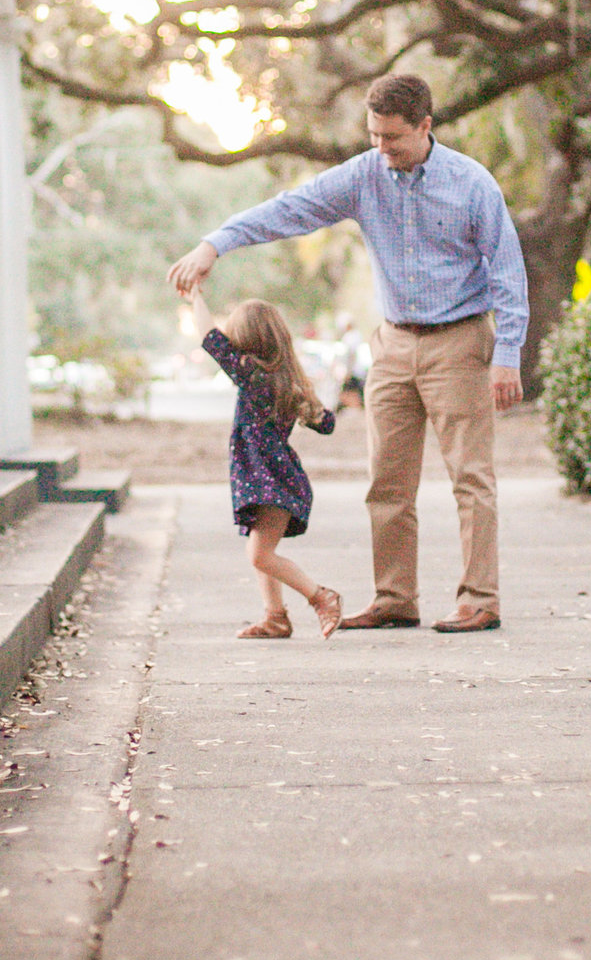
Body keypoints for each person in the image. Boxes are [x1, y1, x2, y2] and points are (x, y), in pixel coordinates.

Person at [168, 73, 527, 634]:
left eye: (393, 138)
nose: (382, 148)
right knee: (386, 482)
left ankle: (479, 598)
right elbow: (291, 209)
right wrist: (216, 243)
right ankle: (394, 598)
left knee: (470, 478)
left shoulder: (472, 185)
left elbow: (507, 272)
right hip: (391, 343)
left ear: (426, 127)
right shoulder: (364, 175)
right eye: (374, 136)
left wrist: (508, 353)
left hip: (459, 340)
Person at [187, 285, 343, 639]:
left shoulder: (254, 377)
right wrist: (310, 403)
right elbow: (327, 424)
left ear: (247, 340)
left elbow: (210, 339)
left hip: (269, 481)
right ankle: (275, 617)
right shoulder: (286, 381)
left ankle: (321, 597)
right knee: (260, 550)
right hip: (273, 479)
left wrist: (197, 297)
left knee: (260, 555)